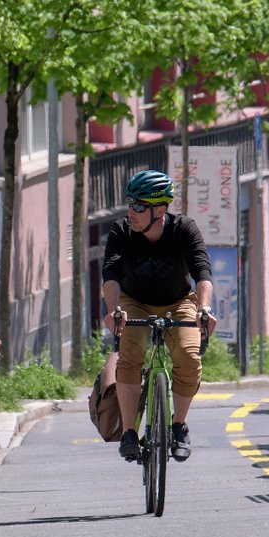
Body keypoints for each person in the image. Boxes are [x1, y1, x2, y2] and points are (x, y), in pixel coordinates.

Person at [103, 169, 217, 462]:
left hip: (178, 302)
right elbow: (111, 274)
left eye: (140, 206)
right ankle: (129, 432)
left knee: (190, 356)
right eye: (130, 203)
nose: (132, 211)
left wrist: (204, 308)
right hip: (134, 302)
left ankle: (178, 425)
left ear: (160, 209)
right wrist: (113, 309)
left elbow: (202, 272)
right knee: (130, 353)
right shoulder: (121, 231)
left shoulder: (184, 229)